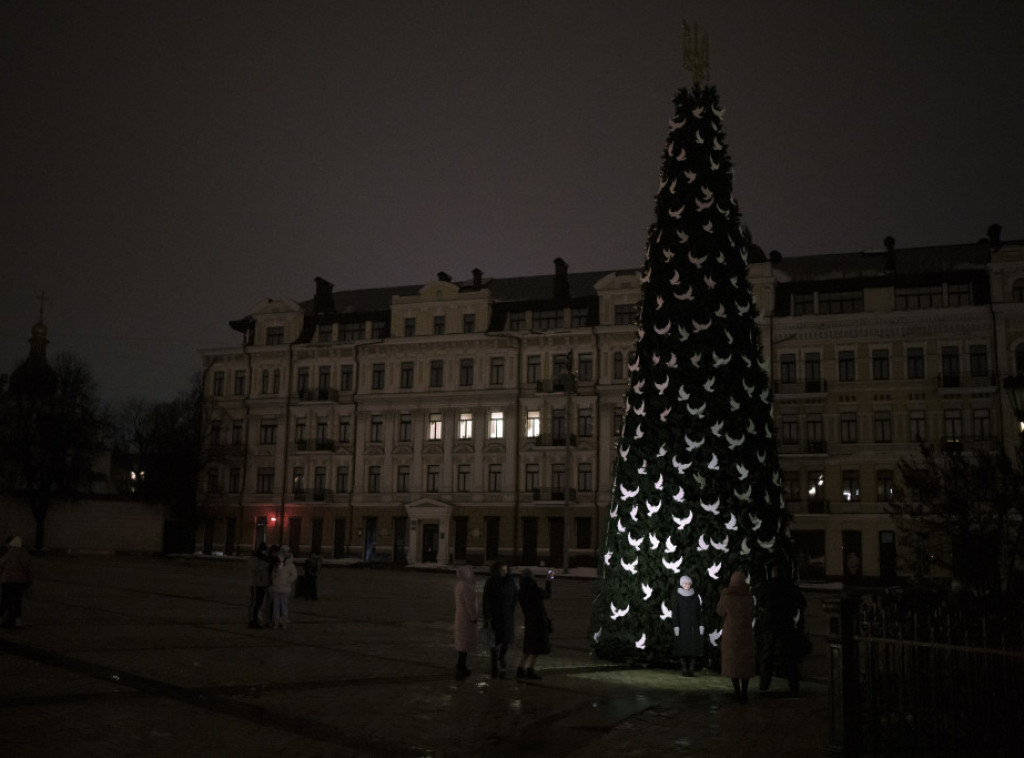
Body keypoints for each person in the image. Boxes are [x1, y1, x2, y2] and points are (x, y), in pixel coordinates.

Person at [759, 563, 807, 694]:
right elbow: (802, 603)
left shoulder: (767, 586)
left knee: (767, 653)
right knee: (790, 654)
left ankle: (764, 684)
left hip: (770, 623)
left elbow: (761, 604)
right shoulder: (790, 587)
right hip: (786, 623)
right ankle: (793, 685)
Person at [717, 570, 756, 702]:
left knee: (733, 661)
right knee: (745, 662)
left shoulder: (727, 595)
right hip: (745, 631)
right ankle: (745, 692)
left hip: (731, 631)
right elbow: (752, 611)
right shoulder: (748, 595)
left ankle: (737, 691)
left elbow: (720, 611)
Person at [482, 561, 518, 678]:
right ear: (497, 570)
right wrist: (487, 616)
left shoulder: (510, 581)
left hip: (507, 616)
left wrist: (511, 609)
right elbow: (486, 599)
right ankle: (494, 666)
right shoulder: (491, 582)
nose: (504, 571)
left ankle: (501, 657)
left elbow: (515, 596)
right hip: (495, 616)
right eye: (502, 570)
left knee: (506, 640)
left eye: (506, 569)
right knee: (494, 643)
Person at [516, 568, 552, 680]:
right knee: (536, 649)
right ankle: (530, 670)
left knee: (528, 648)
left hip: (529, 621)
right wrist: (549, 581)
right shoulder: (534, 589)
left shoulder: (521, 591)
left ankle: (520, 669)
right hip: (538, 622)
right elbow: (546, 594)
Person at [672, 574, 703, 676]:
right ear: (681, 584)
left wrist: (700, 625)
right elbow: (675, 612)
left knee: (693, 648)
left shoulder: (695, 596)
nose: (687, 585)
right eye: (685, 583)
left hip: (693, 626)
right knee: (682, 648)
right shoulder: (677, 596)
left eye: (689, 583)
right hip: (682, 626)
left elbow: (699, 612)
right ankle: (684, 668)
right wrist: (676, 625)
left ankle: (691, 668)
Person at [1, 536, 33, 629]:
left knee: (5, 600)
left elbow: (1, 564)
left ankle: (1, 618)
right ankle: (18, 621)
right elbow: (30, 571)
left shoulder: (8, 554)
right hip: (20, 582)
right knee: (17, 601)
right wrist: (29, 582)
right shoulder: (26, 555)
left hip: (7, 580)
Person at [453, 564, 477, 680]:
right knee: (464, 644)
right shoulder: (466, 587)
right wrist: (474, 617)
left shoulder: (459, 585)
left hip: (460, 616)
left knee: (462, 643)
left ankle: (461, 666)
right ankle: (461, 668)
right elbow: (470, 605)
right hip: (466, 618)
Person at [270, 546, 297, 628]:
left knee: (284, 605)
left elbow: (294, 575)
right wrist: (274, 579)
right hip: (277, 587)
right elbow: (273, 573)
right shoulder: (278, 563)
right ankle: (276, 622)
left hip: (285, 588)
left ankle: (283, 621)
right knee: (276, 606)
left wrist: (287, 581)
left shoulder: (290, 565)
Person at [248, 543, 271, 628]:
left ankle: (257, 620)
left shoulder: (263, 559)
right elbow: (256, 568)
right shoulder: (255, 559)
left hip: (262, 584)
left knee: (260, 603)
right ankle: (253, 621)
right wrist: (266, 563)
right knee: (255, 604)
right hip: (256, 584)